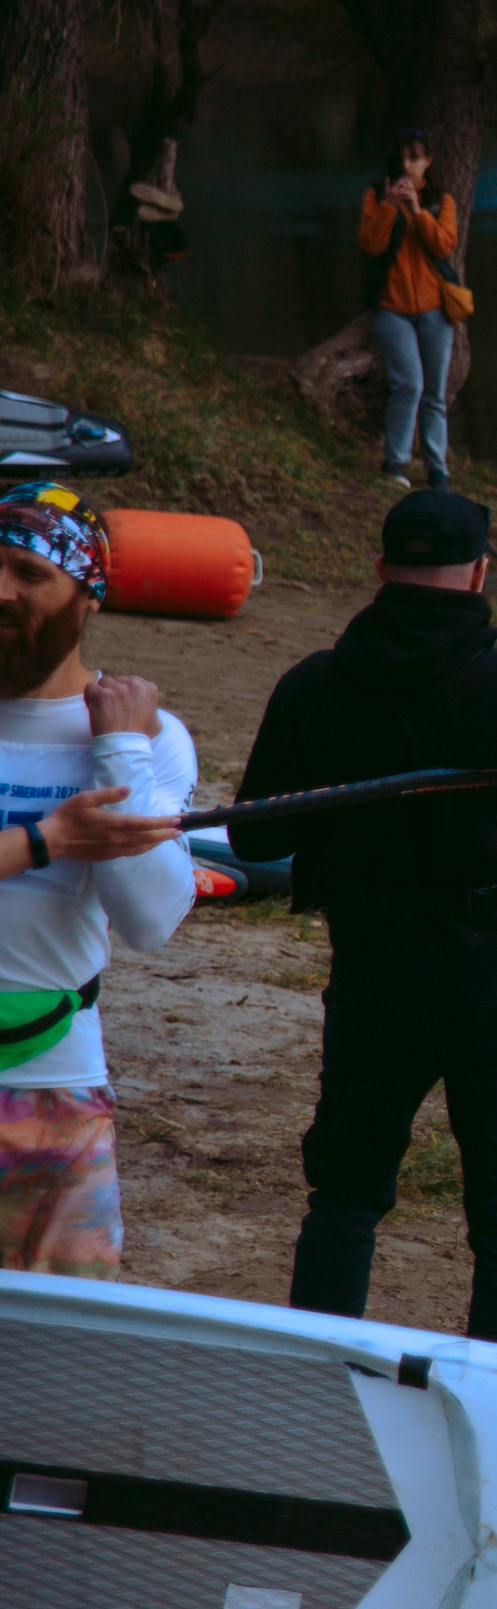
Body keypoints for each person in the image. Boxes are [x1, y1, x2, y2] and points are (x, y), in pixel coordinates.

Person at [233, 491, 497, 1348]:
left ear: (379, 572)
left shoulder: (313, 688)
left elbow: (259, 833)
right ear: (479, 576)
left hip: (374, 977)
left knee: (346, 1197)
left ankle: (318, 1394)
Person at [0, 483, 196, 1277]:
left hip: (52, 1083)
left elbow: (151, 920)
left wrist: (121, 749)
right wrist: (54, 838)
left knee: (58, 1357)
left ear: (89, 599)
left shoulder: (144, 739)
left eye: (27, 572)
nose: (0, 591)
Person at [359, 128, 461, 491]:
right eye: (402, 157)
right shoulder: (376, 196)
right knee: (409, 384)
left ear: (428, 162)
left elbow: (443, 246)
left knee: (434, 392)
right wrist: (389, 205)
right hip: (392, 310)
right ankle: (395, 464)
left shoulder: (441, 200)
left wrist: (417, 212)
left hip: (436, 310)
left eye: (415, 157)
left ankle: (438, 470)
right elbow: (371, 245)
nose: (407, 165)